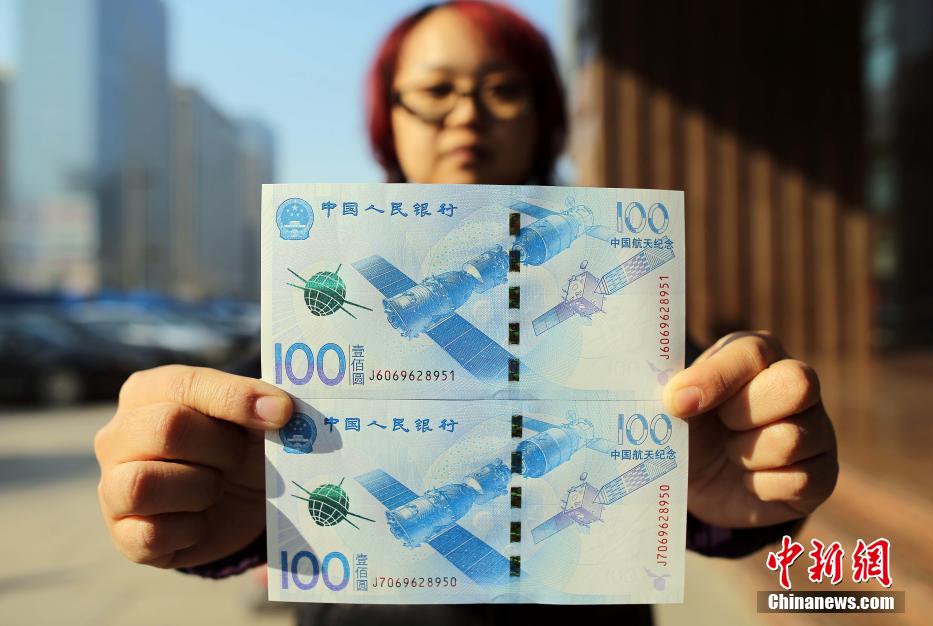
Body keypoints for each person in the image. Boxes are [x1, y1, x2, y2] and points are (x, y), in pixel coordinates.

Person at [93, 2, 838, 624]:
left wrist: (741, 484)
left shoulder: (616, 283)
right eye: (434, 91)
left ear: (544, 117)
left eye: (502, 90)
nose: (466, 116)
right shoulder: (330, 286)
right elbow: (237, 467)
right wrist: (192, 492)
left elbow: (713, 460)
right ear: (389, 118)